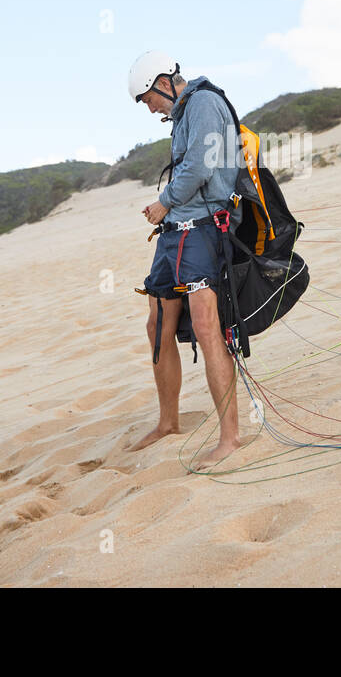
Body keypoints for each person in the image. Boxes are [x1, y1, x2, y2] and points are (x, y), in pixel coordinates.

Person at [126, 50, 245, 467]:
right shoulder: (181, 115)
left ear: (162, 81)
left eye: (147, 99)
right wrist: (166, 212)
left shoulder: (205, 102)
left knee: (209, 327)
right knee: (157, 323)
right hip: (174, 232)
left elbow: (199, 167)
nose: (150, 108)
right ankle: (168, 422)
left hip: (203, 230)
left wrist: (164, 202)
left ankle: (229, 438)